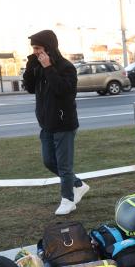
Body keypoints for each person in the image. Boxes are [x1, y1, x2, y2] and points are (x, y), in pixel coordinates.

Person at [22, 29, 88, 216]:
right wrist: (30, 66)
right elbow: (29, 88)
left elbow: (64, 92)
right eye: (33, 48)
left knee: (64, 165)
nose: (35, 52)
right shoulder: (37, 66)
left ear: (49, 48)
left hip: (64, 123)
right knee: (49, 161)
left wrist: (49, 68)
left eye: (38, 48)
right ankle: (78, 185)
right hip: (46, 123)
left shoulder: (66, 67)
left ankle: (68, 200)